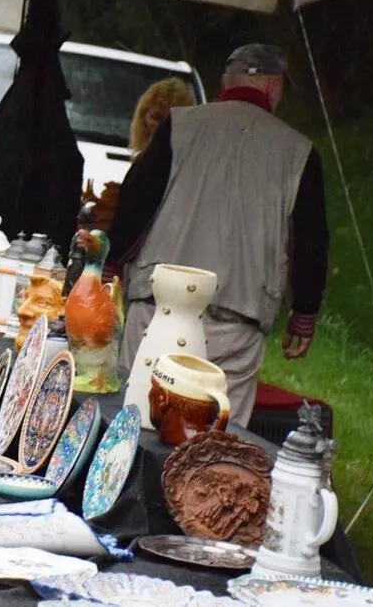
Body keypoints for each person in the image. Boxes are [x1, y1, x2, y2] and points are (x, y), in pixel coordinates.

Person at [104, 44, 329, 427]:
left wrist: (110, 264)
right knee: (213, 443)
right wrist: (303, 312)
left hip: (158, 307)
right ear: (273, 86)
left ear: (225, 81)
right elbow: (310, 242)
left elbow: (136, 202)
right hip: (236, 324)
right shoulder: (299, 152)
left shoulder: (180, 125)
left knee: (133, 425)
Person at [128, 77, 195, 156]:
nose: (163, 125)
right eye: (157, 118)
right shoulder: (142, 159)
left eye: (171, 120)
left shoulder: (195, 158)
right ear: (143, 118)